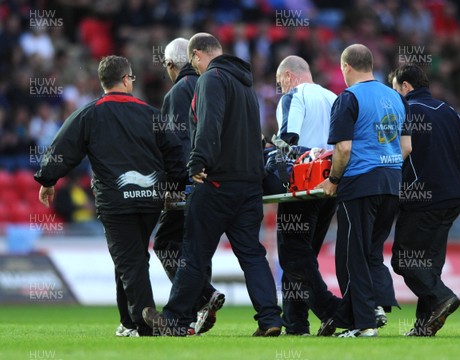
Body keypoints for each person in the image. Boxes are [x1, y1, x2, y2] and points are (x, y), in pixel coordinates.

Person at [34, 55, 187, 337]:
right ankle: (128, 322)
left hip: (116, 201)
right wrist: (175, 187)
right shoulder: (152, 115)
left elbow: (63, 148)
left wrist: (47, 179)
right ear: (127, 79)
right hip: (150, 199)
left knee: (130, 260)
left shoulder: (89, 115)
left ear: (103, 82)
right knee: (131, 257)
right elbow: (176, 154)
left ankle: (144, 317)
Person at [142, 33, 283, 336]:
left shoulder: (212, 78)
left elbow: (210, 123)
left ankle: (176, 320)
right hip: (249, 184)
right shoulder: (245, 85)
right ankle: (270, 319)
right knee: (252, 254)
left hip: (217, 182)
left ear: (195, 56)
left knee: (194, 253)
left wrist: (197, 162)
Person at [317, 44, 412, 338]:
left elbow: (343, 148)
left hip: (360, 184)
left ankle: (365, 323)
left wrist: (333, 180)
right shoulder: (396, 97)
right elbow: (406, 147)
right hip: (392, 183)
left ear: (345, 67)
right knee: (372, 251)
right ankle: (377, 306)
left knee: (353, 255)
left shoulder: (348, 98)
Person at [388, 64, 460, 336]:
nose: (394, 93)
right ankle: (424, 326)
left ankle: (443, 296)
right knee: (427, 265)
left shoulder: (405, 110)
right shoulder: (451, 113)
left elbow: (396, 152)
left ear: (405, 86)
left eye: (395, 88)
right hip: (452, 200)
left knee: (404, 261)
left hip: (421, 199)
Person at [153, 37, 223, 335]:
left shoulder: (179, 91)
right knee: (196, 247)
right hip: (224, 181)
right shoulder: (217, 85)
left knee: (166, 243)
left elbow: (176, 145)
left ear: (171, 65)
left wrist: (173, 185)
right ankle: (199, 308)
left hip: (190, 182)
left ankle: (204, 296)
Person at [273, 55, 340, 336]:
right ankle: (296, 322)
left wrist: (271, 153)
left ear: (289, 76)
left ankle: (332, 310)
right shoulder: (334, 97)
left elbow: (288, 143)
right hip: (331, 184)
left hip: (304, 184)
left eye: (280, 83)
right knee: (304, 254)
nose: (281, 89)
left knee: (292, 254)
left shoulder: (293, 96)